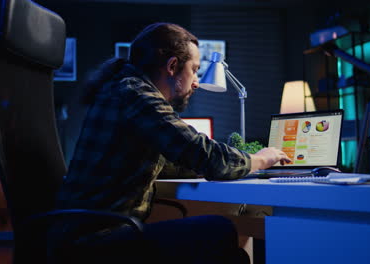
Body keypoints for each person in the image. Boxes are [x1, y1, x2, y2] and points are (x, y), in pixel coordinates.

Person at [48, 22, 291, 264]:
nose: (196, 81)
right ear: (173, 66)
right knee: (219, 230)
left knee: (234, 255)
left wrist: (228, 163)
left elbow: (173, 160)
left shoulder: (123, 88)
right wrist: (260, 159)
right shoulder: (136, 95)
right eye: (194, 69)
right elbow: (200, 152)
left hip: (85, 234)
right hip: (93, 242)